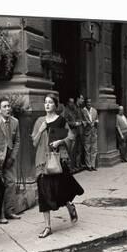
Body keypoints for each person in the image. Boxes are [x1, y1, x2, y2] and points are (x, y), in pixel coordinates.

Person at [31, 94, 84, 238]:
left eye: (50, 102)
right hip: (42, 161)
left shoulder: (61, 121)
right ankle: (47, 226)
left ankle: (68, 204)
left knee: (59, 189)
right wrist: (41, 130)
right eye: (45, 102)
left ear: (55, 105)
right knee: (43, 193)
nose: (47, 105)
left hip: (57, 159)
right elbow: (34, 142)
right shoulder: (39, 121)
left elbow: (71, 137)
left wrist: (59, 142)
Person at [63, 96, 85, 171]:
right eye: (71, 102)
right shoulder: (66, 110)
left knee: (76, 150)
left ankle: (76, 165)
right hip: (70, 131)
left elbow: (78, 117)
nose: (72, 104)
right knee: (71, 150)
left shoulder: (74, 109)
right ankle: (70, 167)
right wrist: (74, 123)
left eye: (73, 102)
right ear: (68, 103)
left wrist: (79, 121)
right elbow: (65, 121)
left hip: (76, 131)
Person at [82, 97, 99, 171]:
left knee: (94, 149)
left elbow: (97, 119)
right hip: (87, 132)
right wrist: (86, 123)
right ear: (85, 103)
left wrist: (95, 122)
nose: (89, 103)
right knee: (87, 149)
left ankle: (93, 165)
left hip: (94, 131)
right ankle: (88, 165)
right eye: (87, 102)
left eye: (90, 102)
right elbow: (82, 121)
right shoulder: (83, 111)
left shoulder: (94, 110)